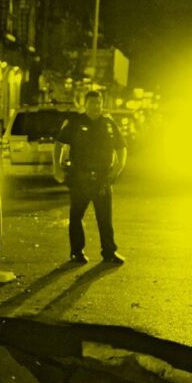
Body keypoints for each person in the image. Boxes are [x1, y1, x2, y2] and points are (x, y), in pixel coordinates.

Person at [53, 90, 128, 264]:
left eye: (98, 103)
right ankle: (77, 252)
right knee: (76, 216)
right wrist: (56, 167)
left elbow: (122, 148)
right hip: (80, 177)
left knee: (105, 218)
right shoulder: (75, 122)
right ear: (85, 104)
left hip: (103, 178)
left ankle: (109, 252)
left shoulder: (108, 124)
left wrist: (117, 169)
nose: (96, 106)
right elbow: (59, 144)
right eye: (92, 103)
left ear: (102, 104)